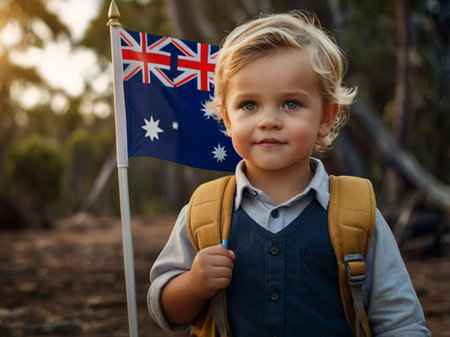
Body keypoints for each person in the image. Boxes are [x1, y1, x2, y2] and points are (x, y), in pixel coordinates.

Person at [148, 11, 430, 337]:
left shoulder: (358, 212)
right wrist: (194, 284)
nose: (269, 120)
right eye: (249, 105)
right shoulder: (203, 211)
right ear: (226, 118)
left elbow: (401, 321)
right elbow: (166, 310)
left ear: (326, 117)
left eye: (291, 104)